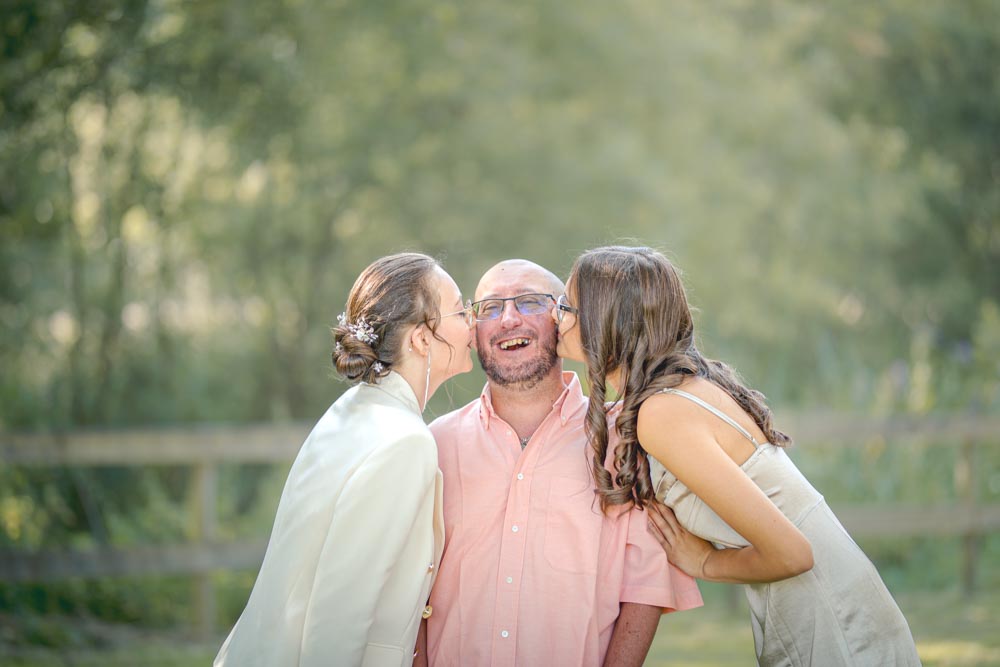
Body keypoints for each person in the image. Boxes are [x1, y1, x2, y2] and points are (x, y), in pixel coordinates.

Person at [554, 245, 920, 666]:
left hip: (837, 621)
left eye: (567, 306)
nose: (555, 316)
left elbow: (793, 554)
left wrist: (706, 562)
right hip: (831, 604)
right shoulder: (678, 391)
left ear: (607, 322)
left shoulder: (662, 412)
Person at [420, 259, 702, 667]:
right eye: (490, 307)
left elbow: (645, 590)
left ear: (565, 321)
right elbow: (413, 586)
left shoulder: (625, 437)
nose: (509, 319)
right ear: (473, 330)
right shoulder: (434, 446)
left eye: (530, 302)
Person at [215, 252, 475, 667]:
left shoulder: (351, 410)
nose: (472, 322)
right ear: (422, 339)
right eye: (460, 311)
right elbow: (340, 617)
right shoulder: (405, 443)